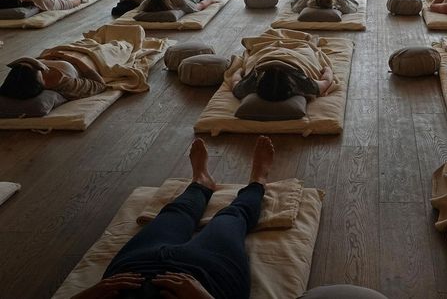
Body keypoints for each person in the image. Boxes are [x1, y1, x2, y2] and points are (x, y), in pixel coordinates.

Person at [71, 136, 275, 299]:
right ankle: (258, 181)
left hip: (136, 267)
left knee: (176, 212)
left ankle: (201, 182)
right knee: (232, 217)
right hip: (210, 276)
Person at [0, 56, 106, 101]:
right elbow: (100, 84)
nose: (36, 64)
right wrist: (74, 60)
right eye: (35, 68)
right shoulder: (64, 84)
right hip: (86, 57)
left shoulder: (23, 73)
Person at [232, 60, 335, 102]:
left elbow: (235, 82)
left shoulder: (250, 84)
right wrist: (327, 69)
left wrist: (239, 70)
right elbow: (326, 80)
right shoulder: (302, 83)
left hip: (266, 57)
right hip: (294, 59)